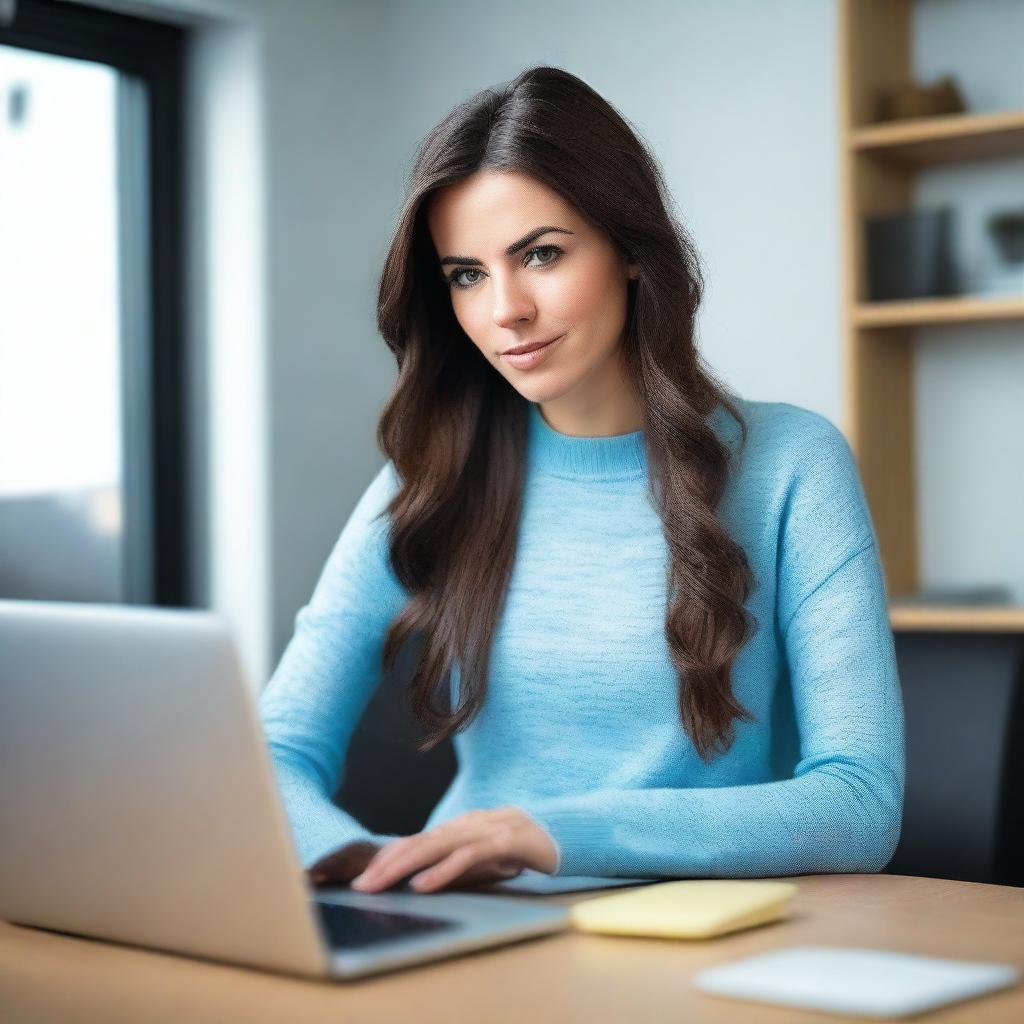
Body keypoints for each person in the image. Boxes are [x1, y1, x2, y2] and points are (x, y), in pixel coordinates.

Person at [258, 66, 905, 895]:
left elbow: (859, 804)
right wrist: (364, 870)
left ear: (631, 251)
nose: (506, 311)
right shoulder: (428, 478)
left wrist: (549, 834)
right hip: (467, 931)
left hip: (692, 943)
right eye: (467, 274)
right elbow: (276, 748)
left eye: (542, 255)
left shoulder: (790, 464)